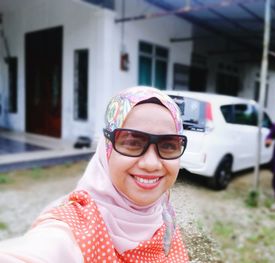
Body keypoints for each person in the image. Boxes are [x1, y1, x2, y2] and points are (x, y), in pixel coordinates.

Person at [0, 86, 189, 262]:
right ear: (106, 149)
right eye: (132, 142)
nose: (151, 164)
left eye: (168, 145)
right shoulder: (77, 226)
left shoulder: (163, 209)